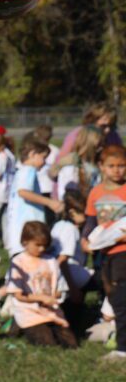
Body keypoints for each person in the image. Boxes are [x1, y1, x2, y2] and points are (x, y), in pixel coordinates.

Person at [82, 144, 126, 362]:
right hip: (103, 252)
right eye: (111, 166)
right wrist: (84, 239)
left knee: (121, 297)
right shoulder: (96, 192)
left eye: (122, 165)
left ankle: (123, 347)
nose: (117, 170)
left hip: (123, 251)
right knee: (111, 293)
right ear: (101, 166)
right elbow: (91, 220)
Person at [6, 221, 76, 349]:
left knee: (71, 344)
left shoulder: (51, 261)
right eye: (38, 245)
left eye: (44, 245)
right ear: (25, 242)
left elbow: (60, 287)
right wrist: (41, 298)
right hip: (28, 311)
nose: (42, 249)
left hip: (52, 311)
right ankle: (18, 325)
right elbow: (18, 295)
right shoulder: (18, 262)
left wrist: (55, 297)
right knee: (47, 343)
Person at [6, 139, 64, 256]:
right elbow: (23, 192)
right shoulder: (29, 170)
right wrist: (49, 202)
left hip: (20, 234)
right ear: (32, 154)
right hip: (29, 233)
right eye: (43, 157)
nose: (44, 162)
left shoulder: (21, 172)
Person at [50, 190, 92, 327]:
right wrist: (73, 289)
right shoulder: (70, 230)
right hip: (68, 275)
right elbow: (62, 261)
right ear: (72, 212)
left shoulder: (58, 225)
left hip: (59, 276)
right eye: (84, 213)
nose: (87, 216)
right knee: (99, 278)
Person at [50, 124, 101, 201]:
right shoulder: (72, 165)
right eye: (98, 145)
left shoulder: (94, 163)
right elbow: (68, 194)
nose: (101, 148)